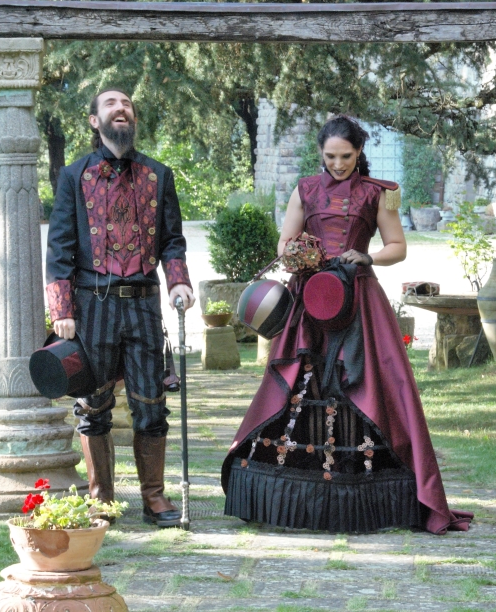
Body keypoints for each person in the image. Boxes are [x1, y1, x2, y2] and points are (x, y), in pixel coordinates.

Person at [221, 116, 473, 534]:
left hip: (358, 298)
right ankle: (296, 489)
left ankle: (368, 487)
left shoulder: (380, 194)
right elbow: (284, 243)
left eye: (346, 156)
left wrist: (367, 257)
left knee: (370, 383)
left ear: (359, 153)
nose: (338, 164)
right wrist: (298, 253)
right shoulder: (304, 189)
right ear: (320, 153)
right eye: (330, 156)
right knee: (307, 383)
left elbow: (398, 247)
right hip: (310, 298)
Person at [45, 88, 196, 529]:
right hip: (92, 307)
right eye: (111, 105)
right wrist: (62, 308)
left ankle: (155, 499)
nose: (121, 109)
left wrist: (180, 282)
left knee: (151, 403)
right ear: (95, 121)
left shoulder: (159, 175)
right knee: (93, 405)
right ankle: (101, 502)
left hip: (145, 305)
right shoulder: (74, 176)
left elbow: (172, 240)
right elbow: (60, 248)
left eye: (127, 104)